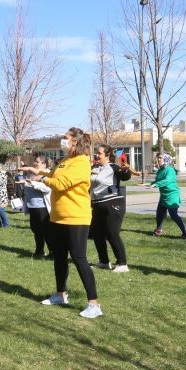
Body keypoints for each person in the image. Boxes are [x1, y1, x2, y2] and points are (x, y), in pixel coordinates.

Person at [32, 128, 103, 319]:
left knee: (79, 258)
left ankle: (94, 304)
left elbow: (61, 183)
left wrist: (43, 178)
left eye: (66, 138)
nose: (62, 141)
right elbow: (54, 175)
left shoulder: (81, 162)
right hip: (57, 217)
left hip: (76, 217)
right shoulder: (64, 160)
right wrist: (41, 172)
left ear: (75, 142)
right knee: (59, 258)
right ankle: (60, 294)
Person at [90, 144, 132, 272]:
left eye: (100, 153)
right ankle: (104, 262)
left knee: (112, 234)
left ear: (107, 155)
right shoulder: (94, 168)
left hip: (113, 203)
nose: (97, 155)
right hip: (97, 204)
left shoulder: (113, 167)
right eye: (96, 153)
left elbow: (125, 176)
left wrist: (126, 171)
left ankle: (122, 264)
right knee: (97, 235)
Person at [144, 154, 186, 238]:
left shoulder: (170, 170)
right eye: (158, 158)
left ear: (166, 160)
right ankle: (158, 230)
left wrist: (156, 184)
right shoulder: (160, 170)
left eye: (160, 158)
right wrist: (148, 184)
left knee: (173, 215)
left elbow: (167, 181)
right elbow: (157, 181)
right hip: (164, 195)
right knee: (160, 213)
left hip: (172, 195)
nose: (158, 159)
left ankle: (185, 232)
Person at [20, 156, 52, 258]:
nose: (34, 163)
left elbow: (47, 188)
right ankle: (39, 251)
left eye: (37, 162)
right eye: (35, 161)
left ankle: (52, 252)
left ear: (44, 164)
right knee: (36, 230)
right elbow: (29, 186)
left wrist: (32, 183)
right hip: (32, 205)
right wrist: (27, 183)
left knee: (46, 231)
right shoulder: (31, 174)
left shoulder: (47, 174)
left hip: (42, 206)